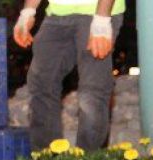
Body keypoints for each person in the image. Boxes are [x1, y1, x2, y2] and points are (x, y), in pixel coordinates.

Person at [13, 0, 124, 151]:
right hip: (57, 14)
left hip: (97, 12)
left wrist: (102, 19)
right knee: (41, 83)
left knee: (92, 91)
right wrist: (27, 12)